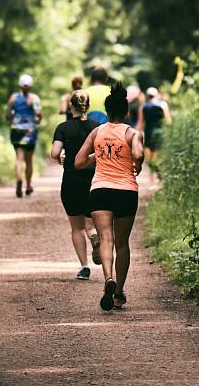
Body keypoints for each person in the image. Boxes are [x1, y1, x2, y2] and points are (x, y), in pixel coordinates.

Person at [75, 83, 144, 311]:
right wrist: (138, 164)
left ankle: (107, 278)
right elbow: (138, 154)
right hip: (125, 192)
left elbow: (78, 161)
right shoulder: (132, 133)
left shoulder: (97, 132)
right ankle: (119, 293)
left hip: (100, 191)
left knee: (106, 239)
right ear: (127, 112)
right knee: (122, 244)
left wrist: (97, 156)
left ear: (107, 111)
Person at [51, 90, 101, 280]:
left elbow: (55, 152)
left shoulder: (63, 128)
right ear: (88, 106)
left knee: (76, 227)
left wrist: (61, 156)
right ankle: (95, 236)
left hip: (72, 180)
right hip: (93, 179)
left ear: (71, 105)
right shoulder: (97, 127)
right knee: (90, 224)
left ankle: (84, 267)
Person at [7, 73, 42, 198]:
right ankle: (28, 185)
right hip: (30, 132)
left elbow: (8, 115)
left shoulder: (13, 98)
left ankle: (18, 179)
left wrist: (12, 121)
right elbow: (38, 114)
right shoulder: (34, 98)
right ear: (31, 86)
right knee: (29, 160)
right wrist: (37, 120)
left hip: (16, 130)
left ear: (19, 86)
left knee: (19, 158)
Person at [137, 86, 171, 164]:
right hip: (159, 131)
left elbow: (140, 122)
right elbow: (168, 121)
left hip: (148, 130)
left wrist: (138, 135)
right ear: (156, 95)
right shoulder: (163, 105)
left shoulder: (143, 107)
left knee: (148, 147)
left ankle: (150, 168)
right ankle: (154, 167)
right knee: (157, 150)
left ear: (147, 96)